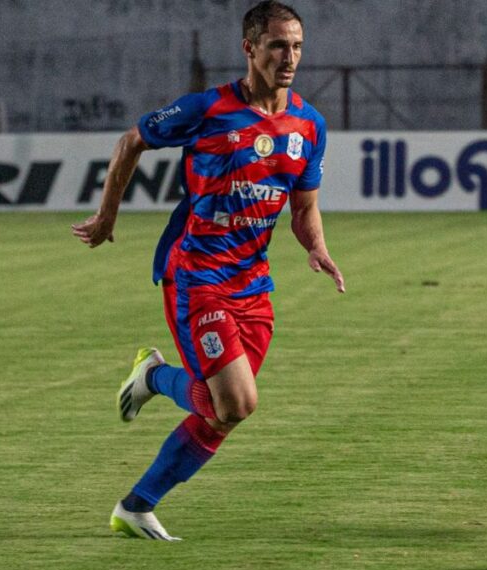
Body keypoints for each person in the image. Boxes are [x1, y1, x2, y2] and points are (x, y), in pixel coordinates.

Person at [71, 0, 345, 540]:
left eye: (296, 46)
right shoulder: (208, 109)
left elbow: (304, 207)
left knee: (225, 413)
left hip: (253, 283)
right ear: (249, 49)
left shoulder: (309, 126)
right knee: (236, 401)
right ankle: (153, 380)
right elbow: (132, 141)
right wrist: (107, 216)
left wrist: (316, 247)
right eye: (276, 46)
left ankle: (136, 501)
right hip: (195, 274)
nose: (288, 57)